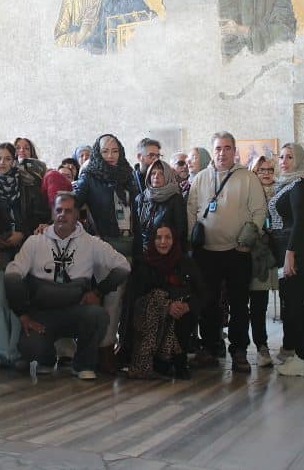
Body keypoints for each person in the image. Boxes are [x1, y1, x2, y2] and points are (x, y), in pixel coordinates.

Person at [4, 192, 131, 379]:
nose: (63, 215)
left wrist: (98, 291)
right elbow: (11, 276)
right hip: (42, 314)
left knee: (98, 316)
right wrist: (22, 315)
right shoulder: (34, 242)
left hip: (76, 311)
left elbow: (123, 267)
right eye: (59, 210)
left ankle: (83, 365)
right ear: (53, 214)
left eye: (68, 211)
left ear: (77, 214)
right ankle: (45, 360)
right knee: (30, 347)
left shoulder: (91, 243)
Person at [186, 131, 267, 372]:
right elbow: (191, 210)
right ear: (212, 151)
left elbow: (259, 211)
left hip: (237, 252)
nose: (222, 153)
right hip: (206, 252)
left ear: (234, 151)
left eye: (227, 148)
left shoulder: (247, 178)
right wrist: (194, 238)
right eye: (218, 148)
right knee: (208, 302)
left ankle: (239, 351)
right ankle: (210, 348)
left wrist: (247, 240)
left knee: (239, 304)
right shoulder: (200, 178)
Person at [73, 133, 139, 373]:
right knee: (108, 302)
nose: (111, 156)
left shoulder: (128, 175)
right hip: (105, 248)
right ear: (97, 154)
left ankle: (113, 350)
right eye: (105, 152)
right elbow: (73, 204)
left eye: (115, 151)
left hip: (130, 245)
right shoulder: (90, 177)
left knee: (121, 303)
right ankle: (103, 352)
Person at [0, 142, 50, 367]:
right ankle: (1, 351)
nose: (2, 163)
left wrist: (22, 232)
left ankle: (17, 351)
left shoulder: (29, 185)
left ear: (14, 160)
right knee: (0, 300)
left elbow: (40, 215)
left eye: (6, 158)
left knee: (19, 300)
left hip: (23, 250)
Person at [268, 144, 304, 377]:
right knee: (291, 304)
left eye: (290, 157)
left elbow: (300, 222)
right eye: (281, 157)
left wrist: (290, 254)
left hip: (298, 252)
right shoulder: (287, 183)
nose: (284, 161)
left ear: (300, 160)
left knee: (299, 305)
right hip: (289, 251)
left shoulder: (300, 184)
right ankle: (300, 355)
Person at [126, 224, 208, 379]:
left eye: (168, 237)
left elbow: (202, 293)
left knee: (183, 311)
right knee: (158, 296)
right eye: (158, 237)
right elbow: (137, 299)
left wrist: (187, 306)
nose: (163, 242)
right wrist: (166, 305)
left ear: (174, 240)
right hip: (150, 321)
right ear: (152, 240)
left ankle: (178, 361)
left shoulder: (185, 262)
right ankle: (158, 360)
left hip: (181, 312)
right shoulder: (144, 263)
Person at [248, 155, 277, 366]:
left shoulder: (281, 192)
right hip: (248, 252)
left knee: (260, 302)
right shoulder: (249, 194)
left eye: (270, 170)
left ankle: (263, 345)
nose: (266, 174)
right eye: (261, 170)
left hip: (271, 254)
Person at [135, 159, 188, 258]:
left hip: (167, 254)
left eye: (161, 173)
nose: (156, 176)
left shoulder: (175, 199)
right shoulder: (141, 198)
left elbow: (180, 232)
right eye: (153, 173)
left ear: (168, 176)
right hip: (144, 254)